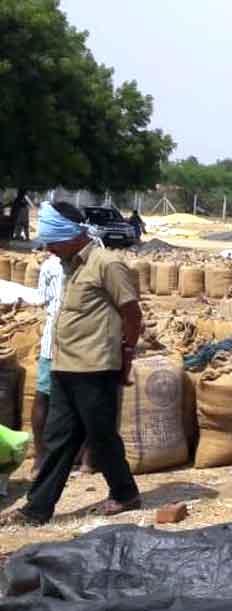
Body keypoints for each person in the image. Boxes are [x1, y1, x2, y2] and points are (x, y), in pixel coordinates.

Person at [1, 202, 143, 527]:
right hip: (65, 365)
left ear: (70, 236)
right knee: (58, 438)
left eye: (52, 242)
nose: (48, 249)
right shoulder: (68, 266)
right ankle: (36, 509)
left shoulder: (106, 264)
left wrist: (127, 354)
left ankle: (125, 494)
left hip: (95, 368)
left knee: (102, 435)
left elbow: (132, 314)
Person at [30, 249, 66, 472]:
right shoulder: (94, 262)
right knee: (85, 398)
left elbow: (41, 299)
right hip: (83, 343)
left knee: (43, 394)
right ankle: (88, 459)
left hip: (54, 340)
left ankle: (41, 456)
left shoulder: (50, 266)